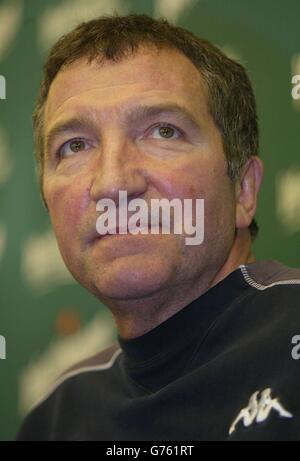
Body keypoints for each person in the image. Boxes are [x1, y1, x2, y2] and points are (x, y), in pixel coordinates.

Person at [17, 13, 300, 441]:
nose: (113, 183)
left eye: (163, 132)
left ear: (243, 189)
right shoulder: (57, 418)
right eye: (74, 145)